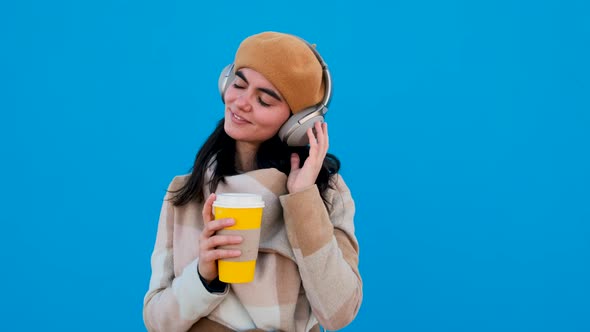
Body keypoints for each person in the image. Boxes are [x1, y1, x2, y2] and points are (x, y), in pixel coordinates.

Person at [143, 31, 362, 332]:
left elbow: (338, 314)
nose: (241, 103)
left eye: (264, 100)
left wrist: (302, 200)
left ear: (297, 123)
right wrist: (203, 276)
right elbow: (157, 322)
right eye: (239, 84)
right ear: (225, 83)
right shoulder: (185, 193)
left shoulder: (326, 194)